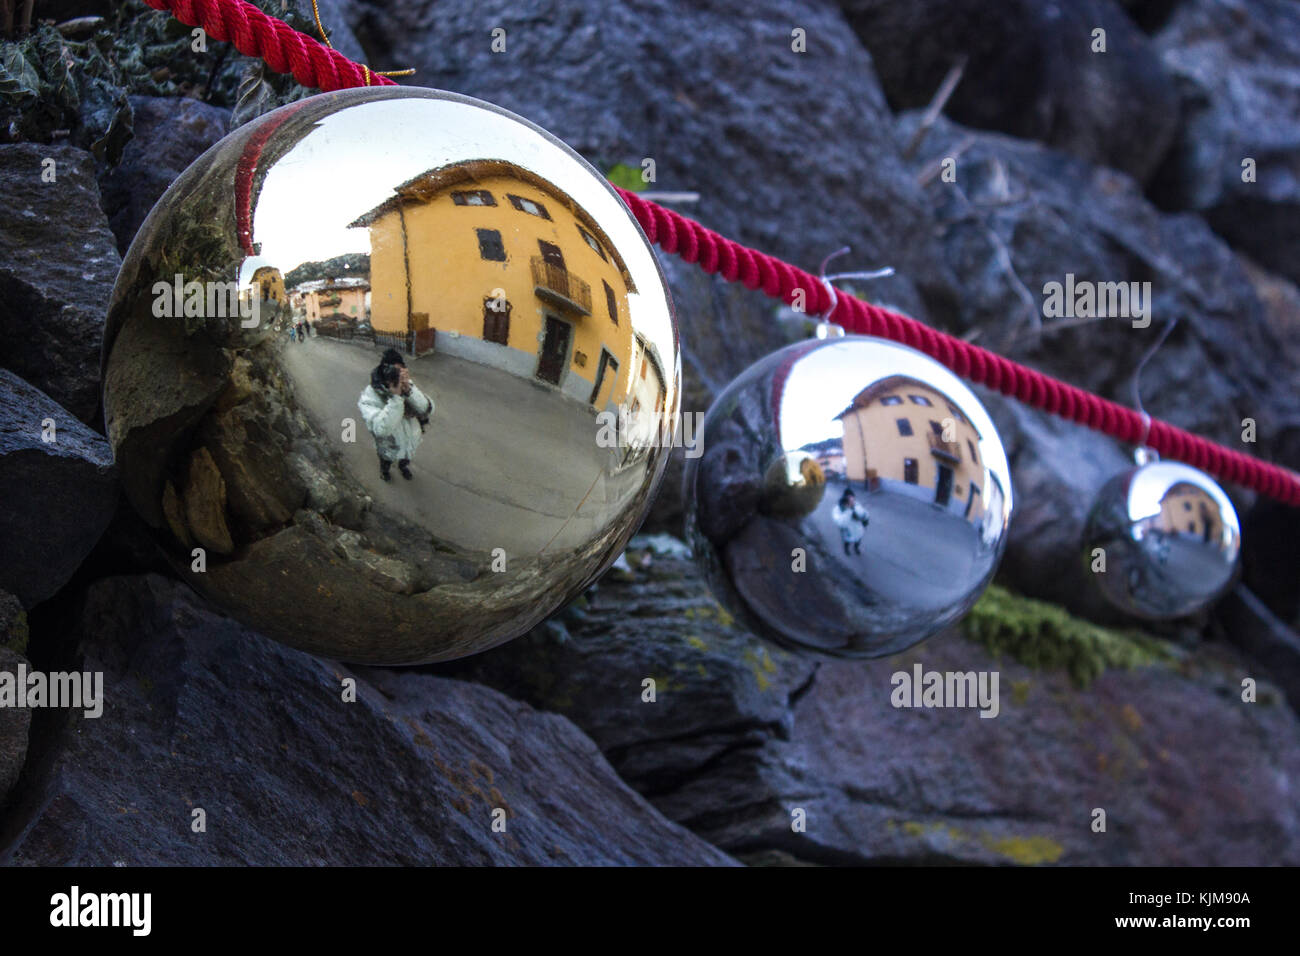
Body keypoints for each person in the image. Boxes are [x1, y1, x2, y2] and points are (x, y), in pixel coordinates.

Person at [357, 349, 434, 481]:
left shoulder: (407, 385)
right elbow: (381, 429)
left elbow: (426, 409)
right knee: (386, 459)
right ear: (383, 371)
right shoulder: (369, 397)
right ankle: (385, 471)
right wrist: (396, 398)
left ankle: (403, 467)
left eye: (400, 371)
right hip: (388, 444)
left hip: (410, 439)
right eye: (393, 371)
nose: (396, 376)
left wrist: (409, 391)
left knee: (406, 458)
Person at [832, 489, 870, 556]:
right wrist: (848, 510)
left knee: (858, 541)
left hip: (858, 530)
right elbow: (841, 523)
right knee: (847, 542)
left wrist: (865, 523)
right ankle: (846, 550)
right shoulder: (838, 509)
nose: (852, 501)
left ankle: (856, 548)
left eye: (853, 498)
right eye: (849, 499)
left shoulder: (856, 504)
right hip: (847, 532)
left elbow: (864, 514)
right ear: (845, 499)